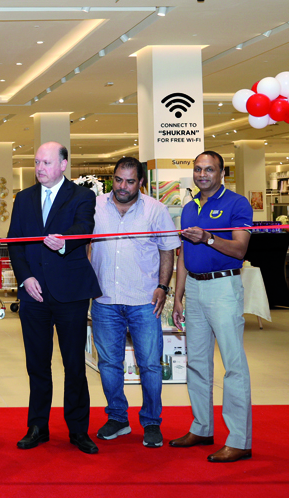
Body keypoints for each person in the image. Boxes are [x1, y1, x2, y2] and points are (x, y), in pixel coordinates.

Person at [7, 142, 102, 455]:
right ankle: (37, 426)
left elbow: (84, 228)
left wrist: (63, 242)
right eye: (37, 162)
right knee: (37, 364)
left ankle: (78, 429)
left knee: (74, 364)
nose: (39, 168)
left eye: (46, 163)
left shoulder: (82, 196)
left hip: (70, 292)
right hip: (33, 293)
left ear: (63, 165)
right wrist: (26, 278)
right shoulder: (24, 198)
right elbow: (14, 242)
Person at [89, 157, 180, 448]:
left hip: (144, 300)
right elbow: (85, 245)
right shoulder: (95, 207)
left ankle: (151, 422)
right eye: (118, 180)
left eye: (130, 181)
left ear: (140, 182)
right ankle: (118, 418)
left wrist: (163, 286)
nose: (123, 186)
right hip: (104, 300)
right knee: (109, 364)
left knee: (150, 365)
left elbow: (168, 250)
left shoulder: (156, 209)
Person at [170, 151, 253, 463]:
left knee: (233, 365)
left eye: (209, 169)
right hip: (194, 287)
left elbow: (240, 249)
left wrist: (207, 238)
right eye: (198, 169)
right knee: (196, 362)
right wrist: (178, 297)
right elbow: (182, 254)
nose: (202, 174)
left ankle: (240, 440)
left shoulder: (237, 203)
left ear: (221, 174)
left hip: (223, 286)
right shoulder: (189, 208)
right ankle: (202, 428)